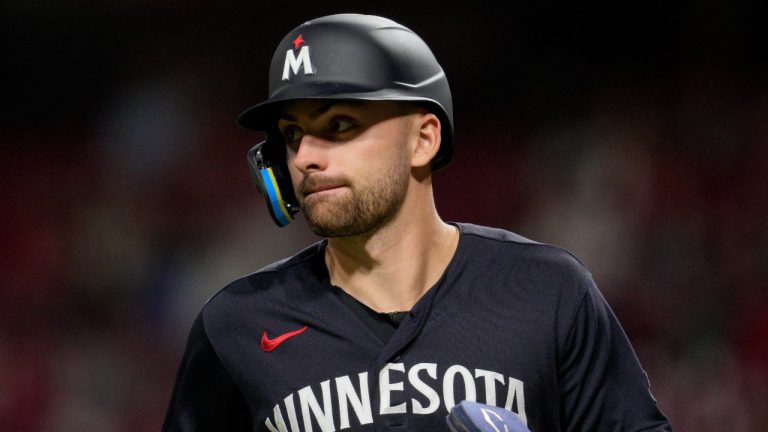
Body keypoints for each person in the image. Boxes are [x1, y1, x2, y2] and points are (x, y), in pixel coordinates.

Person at [162, 13, 672, 432]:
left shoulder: (547, 292)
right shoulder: (237, 324)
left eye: (339, 124)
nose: (305, 158)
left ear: (423, 139)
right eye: (293, 135)